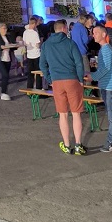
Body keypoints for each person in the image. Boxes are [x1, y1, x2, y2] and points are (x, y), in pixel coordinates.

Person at [39, 19, 87, 156]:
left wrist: (50, 79)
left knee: (63, 114)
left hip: (57, 82)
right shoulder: (70, 43)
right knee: (76, 113)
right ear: (64, 28)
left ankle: (66, 145)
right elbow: (79, 63)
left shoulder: (46, 45)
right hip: (72, 79)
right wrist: (80, 79)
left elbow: (42, 65)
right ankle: (78, 145)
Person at [88, 24, 112, 152]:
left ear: (104, 34)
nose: (94, 35)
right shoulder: (104, 49)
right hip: (106, 85)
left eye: (96, 33)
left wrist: (93, 76)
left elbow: (106, 68)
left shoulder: (106, 49)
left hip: (110, 86)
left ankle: (110, 142)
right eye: (93, 33)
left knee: (111, 115)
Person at [0, 22, 16, 100]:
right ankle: (3, 93)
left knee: (5, 76)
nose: (5, 30)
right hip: (0, 59)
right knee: (5, 75)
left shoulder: (7, 37)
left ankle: (5, 91)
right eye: (3, 28)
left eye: (6, 28)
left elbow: (11, 45)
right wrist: (0, 47)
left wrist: (16, 46)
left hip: (7, 59)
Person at [23, 16, 42, 89]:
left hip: (29, 54)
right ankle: (38, 88)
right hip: (36, 54)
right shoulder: (34, 33)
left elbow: (24, 43)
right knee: (38, 73)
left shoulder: (25, 32)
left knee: (30, 73)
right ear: (34, 24)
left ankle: (29, 88)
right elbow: (37, 44)